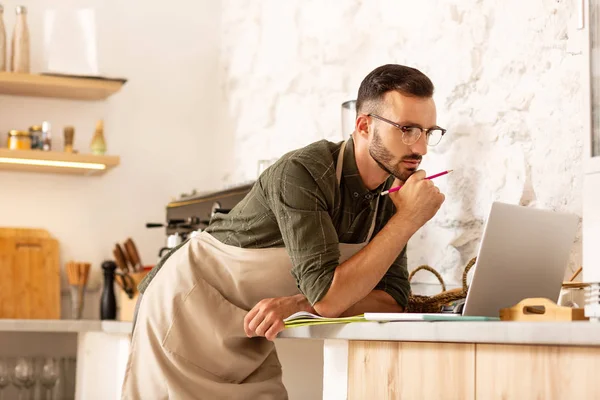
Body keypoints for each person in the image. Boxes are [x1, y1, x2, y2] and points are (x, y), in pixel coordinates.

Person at [121, 64, 447, 399]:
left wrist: (299, 303)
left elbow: (392, 301)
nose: (420, 148)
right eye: (407, 129)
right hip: (186, 311)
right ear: (364, 125)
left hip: (250, 328)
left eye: (427, 132)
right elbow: (330, 298)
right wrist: (408, 220)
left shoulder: (395, 197)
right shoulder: (304, 173)